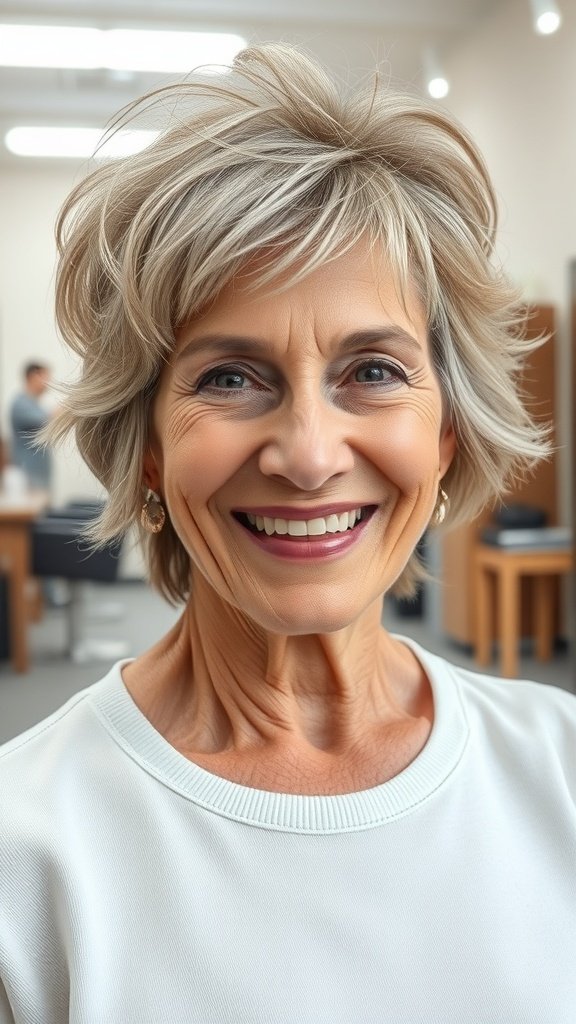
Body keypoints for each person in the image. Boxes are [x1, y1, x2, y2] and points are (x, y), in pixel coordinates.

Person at [0, 43, 574, 1024]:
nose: (309, 455)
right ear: (146, 447)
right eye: (229, 376)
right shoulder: (23, 850)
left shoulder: (559, 774)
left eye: (374, 371)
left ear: (443, 434)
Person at [9, 362, 53, 491]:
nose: (49, 382)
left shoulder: (34, 404)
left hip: (39, 469)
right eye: (45, 377)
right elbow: (47, 420)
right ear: (33, 377)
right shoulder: (21, 404)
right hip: (29, 471)